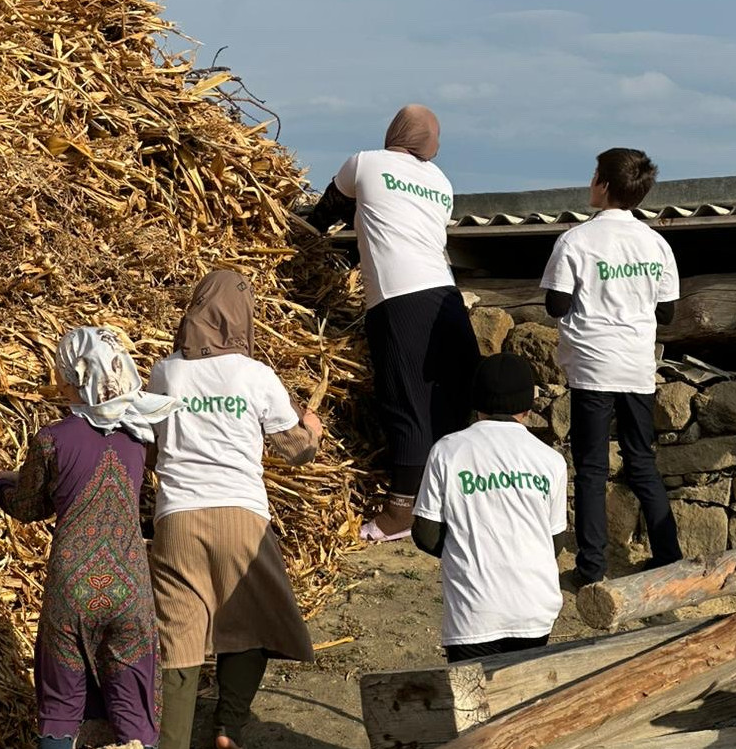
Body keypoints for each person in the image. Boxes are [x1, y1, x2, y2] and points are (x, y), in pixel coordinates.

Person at [0, 326, 180, 749]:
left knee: (61, 697)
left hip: (73, 585)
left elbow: (30, 506)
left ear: (77, 379)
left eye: (63, 375)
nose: (59, 382)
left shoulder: (51, 439)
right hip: (130, 584)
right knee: (132, 700)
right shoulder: (137, 439)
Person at [146, 269, 323, 749]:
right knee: (251, 622)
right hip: (243, 518)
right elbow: (295, 450)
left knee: (178, 639)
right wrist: (314, 429)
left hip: (176, 518)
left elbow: (150, 444)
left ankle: (173, 741)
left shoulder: (166, 372)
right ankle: (228, 727)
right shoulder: (255, 375)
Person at [308, 104, 480, 541]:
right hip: (447, 298)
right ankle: (452, 503)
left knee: (405, 399)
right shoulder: (441, 183)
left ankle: (401, 511)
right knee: (451, 401)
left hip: (399, 298)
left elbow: (325, 214)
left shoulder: (365, 162)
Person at [540, 148, 682, 585]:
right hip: (637, 368)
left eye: (594, 176)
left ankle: (592, 568)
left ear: (602, 184)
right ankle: (668, 559)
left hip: (592, 367)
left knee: (591, 469)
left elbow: (555, 304)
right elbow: (668, 313)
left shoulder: (577, 240)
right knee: (641, 462)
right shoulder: (656, 242)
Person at [412, 353, 567, 662]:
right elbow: (555, 543)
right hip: (535, 609)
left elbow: (425, 534)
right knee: (523, 697)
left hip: (474, 611)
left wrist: (468, 549)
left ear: (476, 402)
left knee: (473, 702)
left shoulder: (448, 450)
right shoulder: (551, 460)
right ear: (528, 406)